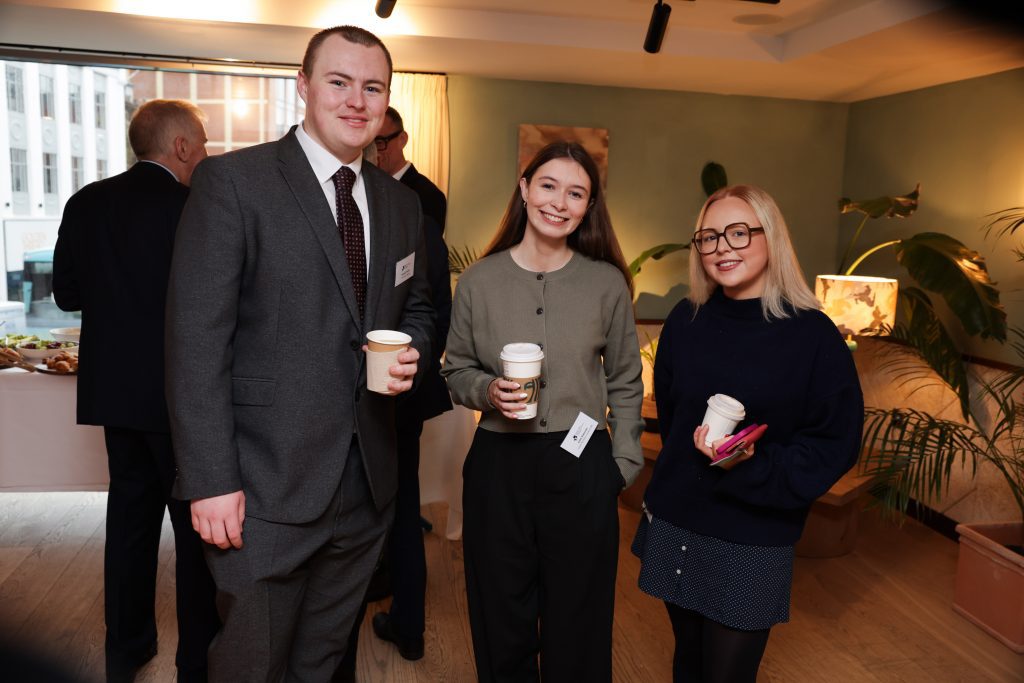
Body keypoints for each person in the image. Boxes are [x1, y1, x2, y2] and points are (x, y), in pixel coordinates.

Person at [164, 25, 434, 681]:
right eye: (339, 82)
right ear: (304, 87)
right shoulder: (235, 182)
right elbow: (195, 340)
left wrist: (413, 352)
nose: (356, 100)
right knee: (250, 663)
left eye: (372, 87)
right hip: (260, 486)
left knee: (320, 662)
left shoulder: (401, 204)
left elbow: (421, 306)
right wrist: (210, 480)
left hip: (366, 484)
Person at [633, 184, 863, 682]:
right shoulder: (686, 318)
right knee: (687, 661)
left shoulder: (813, 335)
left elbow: (835, 443)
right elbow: (673, 418)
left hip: (753, 533)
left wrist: (752, 465)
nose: (722, 247)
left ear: (771, 237)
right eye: (709, 237)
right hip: (679, 518)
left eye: (738, 232)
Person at [442, 141, 644, 682]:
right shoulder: (479, 281)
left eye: (576, 193)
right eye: (549, 185)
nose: (560, 202)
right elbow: (454, 370)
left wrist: (621, 464)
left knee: (578, 615)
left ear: (589, 206)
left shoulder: (606, 284)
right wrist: (488, 392)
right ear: (525, 188)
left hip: (582, 466)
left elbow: (626, 378)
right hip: (498, 466)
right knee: (500, 612)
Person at [52, 99, 219, 683]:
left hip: (115, 395)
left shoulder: (85, 202)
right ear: (179, 147)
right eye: (200, 142)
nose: (204, 152)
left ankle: (126, 650)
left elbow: (66, 295)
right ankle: (196, 660)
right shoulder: (198, 207)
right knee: (197, 533)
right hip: (182, 397)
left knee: (128, 524)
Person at [338, 106, 452, 676]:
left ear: (398, 140)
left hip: (399, 392)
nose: (376, 151)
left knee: (400, 505)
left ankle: (406, 624)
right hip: (337, 399)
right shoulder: (338, 201)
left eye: (384, 141)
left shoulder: (419, 208)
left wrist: (411, 366)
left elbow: (432, 307)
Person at [374, 106, 447, 228]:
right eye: (367, 144)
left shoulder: (428, 196)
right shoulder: (364, 187)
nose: (374, 152)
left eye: (379, 142)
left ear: (402, 140)